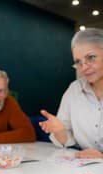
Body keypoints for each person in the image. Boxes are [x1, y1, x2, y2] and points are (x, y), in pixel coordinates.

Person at [40, 28, 103, 159]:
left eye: (91, 58)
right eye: (78, 62)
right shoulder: (74, 90)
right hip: (87, 168)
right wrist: (60, 131)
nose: (84, 68)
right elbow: (65, 140)